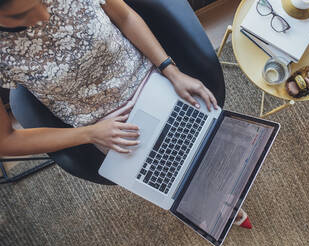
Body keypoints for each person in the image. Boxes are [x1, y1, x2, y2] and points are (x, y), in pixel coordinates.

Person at [0, 0, 251, 229]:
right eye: (23, 14)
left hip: (149, 78)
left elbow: (125, 17)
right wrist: (89, 134)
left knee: (205, 133)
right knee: (168, 171)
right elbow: (5, 141)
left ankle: (216, 191)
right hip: (103, 125)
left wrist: (170, 71)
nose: (44, 14)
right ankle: (206, 197)